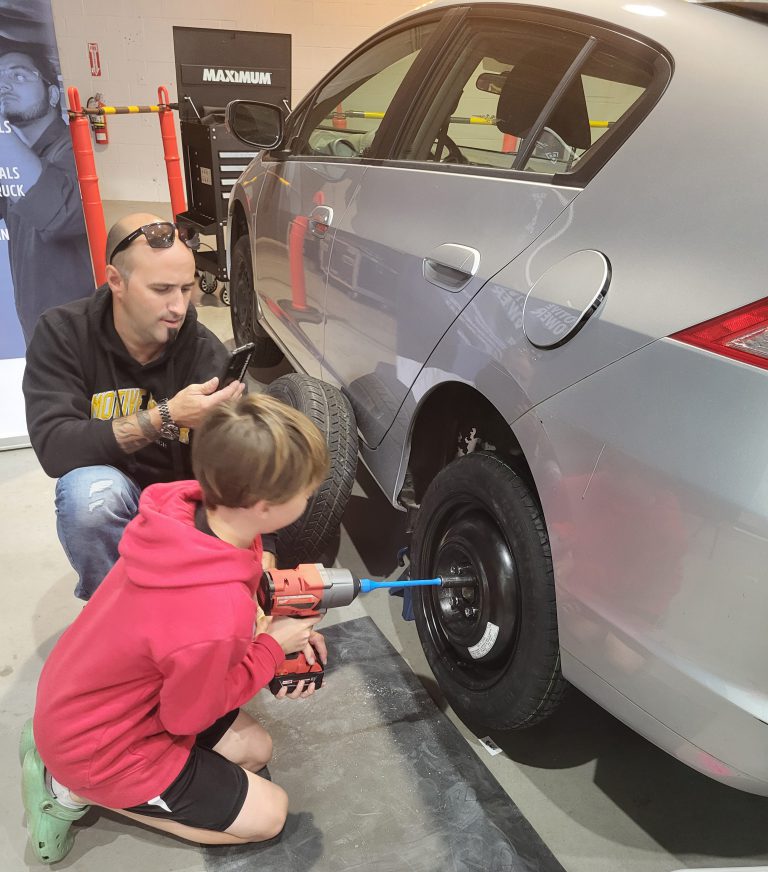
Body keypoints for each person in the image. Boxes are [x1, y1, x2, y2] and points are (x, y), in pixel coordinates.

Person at [20, 393, 330, 864]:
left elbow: (195, 638)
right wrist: (268, 651)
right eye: (305, 492)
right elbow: (184, 718)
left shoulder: (185, 514)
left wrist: (274, 628)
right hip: (103, 747)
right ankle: (70, 789)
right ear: (264, 505)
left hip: (82, 699)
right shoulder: (212, 610)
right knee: (271, 814)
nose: (310, 498)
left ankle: (58, 752)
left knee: (255, 750)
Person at [22, 212, 276, 601]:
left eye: (186, 288)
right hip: (114, 495)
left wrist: (266, 555)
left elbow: (239, 465)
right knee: (88, 497)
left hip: (181, 507)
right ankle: (115, 614)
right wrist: (167, 416)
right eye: (161, 289)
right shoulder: (63, 334)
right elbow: (55, 449)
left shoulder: (203, 351)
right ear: (116, 281)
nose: (178, 307)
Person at [0, 45, 95, 343]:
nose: (4, 84)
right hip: (38, 330)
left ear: (53, 94)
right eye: (0, 78)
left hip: (78, 334)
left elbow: (55, 212)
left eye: (19, 75)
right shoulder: (13, 157)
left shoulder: (75, 150)